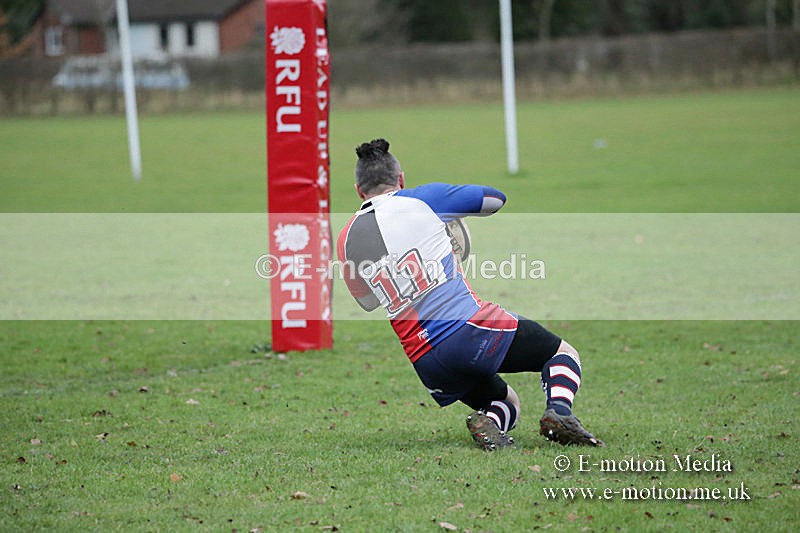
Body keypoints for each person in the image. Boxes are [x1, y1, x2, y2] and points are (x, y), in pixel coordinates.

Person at [337, 138, 603, 450]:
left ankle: (489, 422)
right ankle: (560, 413)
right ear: (401, 179)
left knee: (508, 402)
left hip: (425, 360)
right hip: (467, 330)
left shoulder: (346, 238)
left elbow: (366, 301)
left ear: (358, 190)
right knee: (561, 354)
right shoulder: (423, 199)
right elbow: (495, 199)